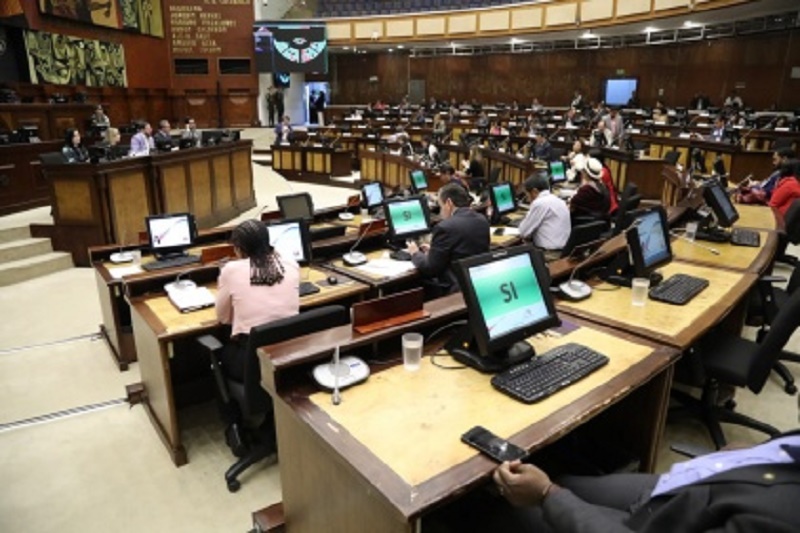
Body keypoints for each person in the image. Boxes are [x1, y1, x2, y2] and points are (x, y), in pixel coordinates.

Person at [485, 431, 800, 533]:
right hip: (691, 491)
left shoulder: (778, 519)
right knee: (569, 480)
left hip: (670, 523)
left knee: (507, 511)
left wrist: (546, 494)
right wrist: (761, 452)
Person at [215, 220, 300, 382]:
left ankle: (227, 406)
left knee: (219, 355)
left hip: (251, 361)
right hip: (287, 353)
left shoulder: (231, 271)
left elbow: (223, 318)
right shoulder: (290, 264)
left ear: (239, 249)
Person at [406, 183, 490, 298]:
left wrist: (415, 253)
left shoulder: (445, 227)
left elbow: (430, 268)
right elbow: (462, 250)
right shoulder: (482, 219)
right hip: (478, 282)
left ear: (449, 203)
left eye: (441, 206)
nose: (440, 212)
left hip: (455, 288)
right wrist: (435, 250)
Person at [517, 173, 571, 261]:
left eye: (527, 195)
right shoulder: (559, 200)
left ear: (534, 191)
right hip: (562, 252)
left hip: (549, 255)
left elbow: (523, 232)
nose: (527, 199)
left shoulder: (539, 203)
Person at [570, 157, 610, 221]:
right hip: (599, 225)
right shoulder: (603, 186)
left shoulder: (587, 190)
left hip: (583, 224)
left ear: (585, 173)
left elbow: (572, 204)